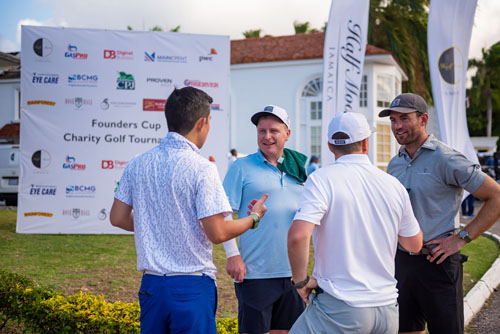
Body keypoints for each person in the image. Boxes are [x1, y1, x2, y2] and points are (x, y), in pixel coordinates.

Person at [110, 87, 268, 334]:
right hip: (192, 284)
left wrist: (154, 221)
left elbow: (117, 218)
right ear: (202, 123)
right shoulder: (202, 168)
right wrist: (253, 218)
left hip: (151, 285)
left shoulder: (138, 163)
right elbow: (217, 232)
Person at [287, 111, 423, 334]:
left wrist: (301, 282)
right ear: (365, 143)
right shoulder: (392, 184)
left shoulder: (321, 179)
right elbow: (414, 245)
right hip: (387, 310)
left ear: (330, 146)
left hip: (341, 306)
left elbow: (297, 236)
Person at [379, 92, 500, 334]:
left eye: (404, 118)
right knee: (405, 330)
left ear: (423, 119)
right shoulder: (395, 163)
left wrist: (461, 238)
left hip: (439, 262)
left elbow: (496, 196)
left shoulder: (447, 158)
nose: (397, 126)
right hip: (401, 262)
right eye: (393, 120)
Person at [222, 105, 308, 334]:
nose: (267, 137)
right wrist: (233, 255)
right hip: (254, 273)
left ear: (287, 133)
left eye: (274, 131)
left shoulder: (298, 171)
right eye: (262, 131)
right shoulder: (241, 167)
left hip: (292, 274)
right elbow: (224, 214)